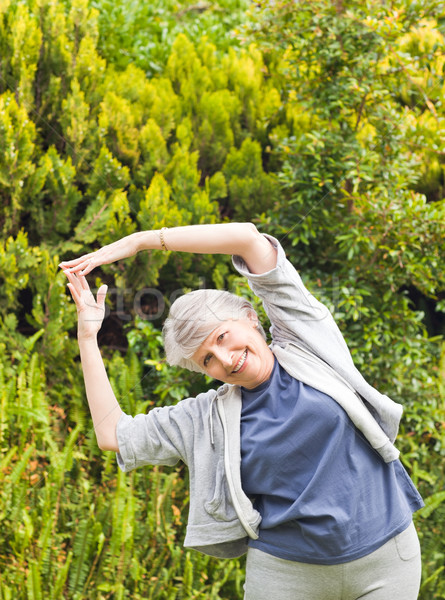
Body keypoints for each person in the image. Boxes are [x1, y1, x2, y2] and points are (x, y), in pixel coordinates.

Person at [60, 222, 424, 600]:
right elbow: (112, 434)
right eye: (208, 360)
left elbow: (249, 239)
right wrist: (88, 337)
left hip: (386, 558)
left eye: (221, 336)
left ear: (251, 317)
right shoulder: (207, 418)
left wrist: (141, 241)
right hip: (286, 574)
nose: (225, 359)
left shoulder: (307, 341)